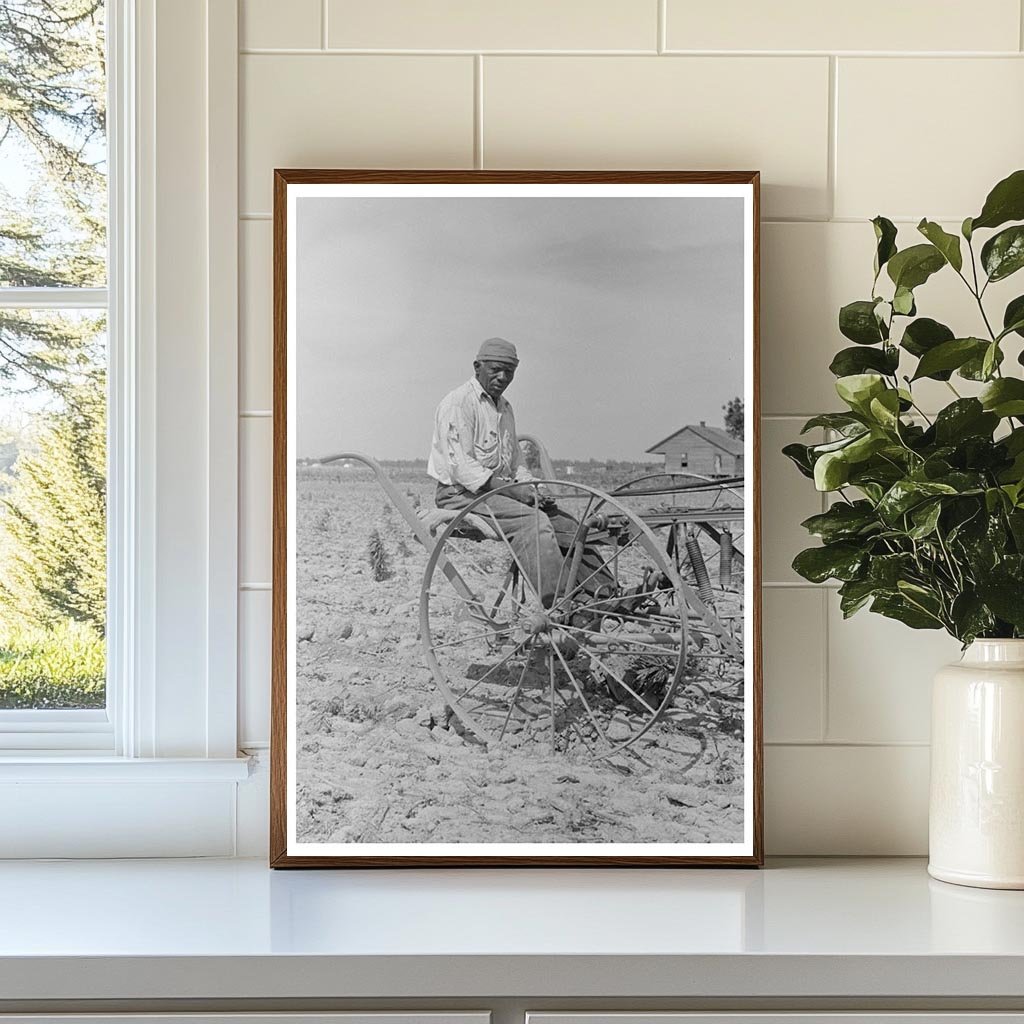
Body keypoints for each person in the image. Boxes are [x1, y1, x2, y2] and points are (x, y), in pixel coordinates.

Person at [427, 337, 611, 608]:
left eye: (509, 372)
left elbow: (517, 463)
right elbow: (463, 468)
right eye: (495, 370)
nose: (503, 377)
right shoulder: (458, 404)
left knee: (570, 526)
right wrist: (515, 491)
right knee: (532, 523)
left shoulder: (505, 408)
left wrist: (533, 489)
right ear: (477, 366)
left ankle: (604, 594)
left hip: (497, 492)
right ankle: (560, 605)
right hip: (460, 494)